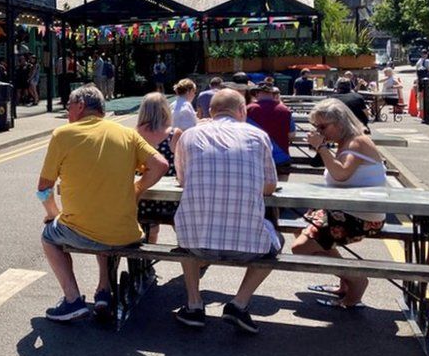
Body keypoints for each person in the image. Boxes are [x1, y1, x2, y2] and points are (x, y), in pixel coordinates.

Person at [38, 85, 168, 321]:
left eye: (68, 106)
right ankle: (103, 290)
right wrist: (137, 188)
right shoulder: (126, 134)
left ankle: (72, 300)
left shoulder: (63, 134)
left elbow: (44, 188)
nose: (68, 112)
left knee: (49, 237)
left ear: (79, 106)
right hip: (127, 233)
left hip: (84, 231)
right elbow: (160, 165)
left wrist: (53, 214)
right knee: (106, 225)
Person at [172, 89, 281, 334]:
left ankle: (194, 305)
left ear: (210, 113)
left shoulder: (188, 136)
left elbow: (183, 179)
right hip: (249, 248)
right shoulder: (258, 136)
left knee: (185, 230)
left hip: (197, 245)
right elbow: (271, 185)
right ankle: (239, 303)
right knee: (276, 242)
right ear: (242, 111)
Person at [291, 99, 387, 308]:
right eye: (316, 127)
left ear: (340, 123)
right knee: (298, 230)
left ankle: (356, 280)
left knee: (300, 247)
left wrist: (322, 147)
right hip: (345, 209)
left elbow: (341, 174)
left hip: (363, 215)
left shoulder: (357, 142)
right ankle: (346, 281)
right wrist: (323, 147)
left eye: (322, 127)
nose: (319, 131)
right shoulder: (345, 141)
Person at [135, 93, 181, 244]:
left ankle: (146, 261)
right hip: (170, 196)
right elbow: (181, 164)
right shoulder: (174, 134)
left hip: (143, 191)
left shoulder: (135, 134)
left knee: (150, 229)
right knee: (179, 227)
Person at [246, 83, 295, 171]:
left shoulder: (248, 109)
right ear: (273, 94)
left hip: (255, 158)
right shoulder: (285, 110)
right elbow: (292, 135)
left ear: (257, 93)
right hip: (281, 157)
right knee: (283, 184)